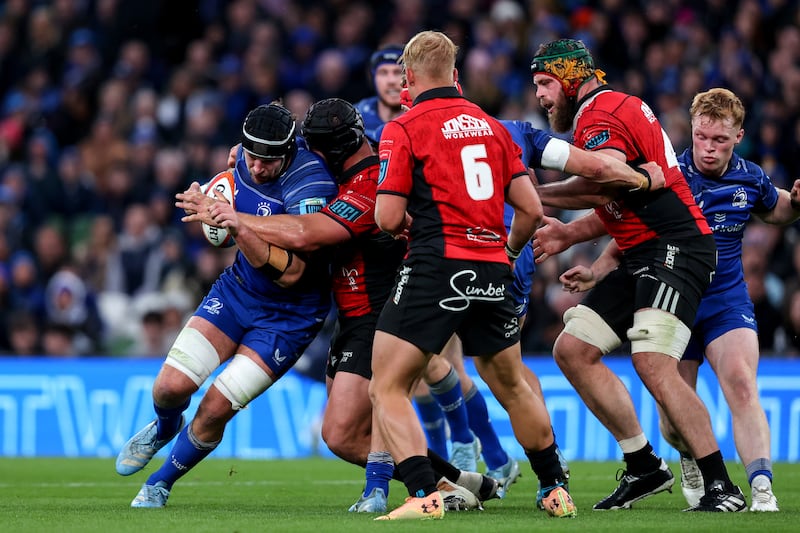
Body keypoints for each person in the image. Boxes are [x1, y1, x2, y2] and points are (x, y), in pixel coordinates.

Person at [178, 97, 498, 513]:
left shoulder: (368, 184)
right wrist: (246, 159)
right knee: (344, 437)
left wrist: (235, 217)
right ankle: (456, 481)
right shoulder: (352, 163)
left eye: (315, 148)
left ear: (331, 150)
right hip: (350, 313)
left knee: (377, 404)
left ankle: (406, 491)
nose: (307, 156)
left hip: (382, 311)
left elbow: (308, 234)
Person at [547, 88, 795, 512]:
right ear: (693, 132)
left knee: (740, 382)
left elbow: (779, 209)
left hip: (723, 300)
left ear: (738, 136)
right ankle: (683, 462)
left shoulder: (750, 178)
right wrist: (598, 267)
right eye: (702, 137)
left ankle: (760, 489)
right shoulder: (671, 170)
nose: (709, 148)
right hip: (673, 291)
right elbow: (627, 226)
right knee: (670, 408)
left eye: (719, 140)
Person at [529, 38, 746, 512]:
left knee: (652, 364)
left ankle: (720, 486)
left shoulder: (598, 115)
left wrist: (528, 191)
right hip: (641, 251)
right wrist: (575, 237)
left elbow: (604, 177)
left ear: (568, 77)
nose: (542, 97)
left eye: (545, 83)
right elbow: (622, 199)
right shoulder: (608, 109)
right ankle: (644, 465)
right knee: (572, 350)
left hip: (676, 249)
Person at [368, 30, 574, 521]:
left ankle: (424, 494)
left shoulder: (404, 127)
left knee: (387, 385)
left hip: (437, 265)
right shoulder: (494, 126)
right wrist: (506, 254)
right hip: (491, 268)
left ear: (409, 79)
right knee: (511, 383)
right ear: (456, 76)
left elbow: (387, 218)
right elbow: (529, 208)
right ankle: (554, 488)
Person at [114, 102, 339, 508]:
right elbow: (226, 205)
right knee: (168, 388)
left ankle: (160, 483)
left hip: (289, 317)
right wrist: (211, 207)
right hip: (236, 293)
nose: (256, 167)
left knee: (216, 407)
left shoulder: (310, 186)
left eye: (267, 161)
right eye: (251, 155)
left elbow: (290, 274)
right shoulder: (244, 157)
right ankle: (166, 427)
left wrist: (235, 222)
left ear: (289, 153)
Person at [354, 44, 405, 145]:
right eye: (383, 73)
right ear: (373, 79)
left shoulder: (422, 119)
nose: (391, 81)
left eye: (398, 72)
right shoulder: (354, 117)